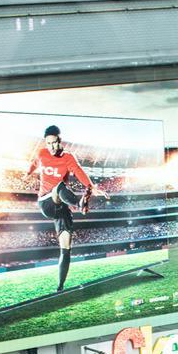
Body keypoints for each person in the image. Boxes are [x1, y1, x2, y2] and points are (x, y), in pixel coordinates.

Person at [28, 124, 105, 292]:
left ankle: (60, 287)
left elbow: (78, 171)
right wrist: (28, 172)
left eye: (54, 143)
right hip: (46, 202)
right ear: (45, 143)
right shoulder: (42, 153)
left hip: (62, 208)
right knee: (59, 185)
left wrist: (90, 187)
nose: (51, 147)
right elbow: (34, 163)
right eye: (48, 143)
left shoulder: (68, 157)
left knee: (66, 249)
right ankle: (79, 204)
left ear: (60, 141)